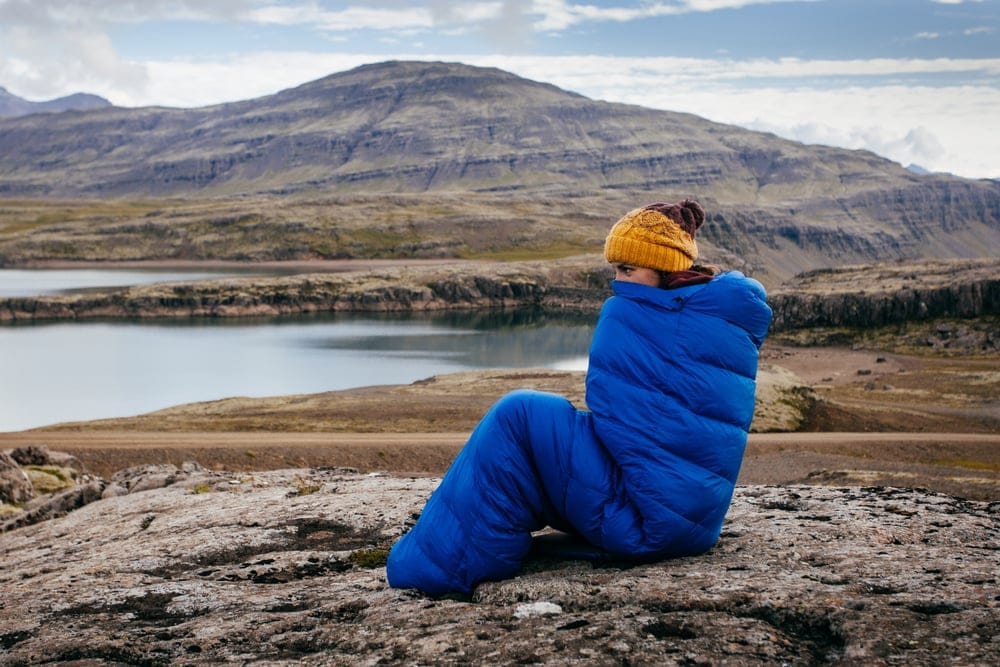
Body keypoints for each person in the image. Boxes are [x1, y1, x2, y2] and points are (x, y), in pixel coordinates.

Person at [386, 200, 772, 596]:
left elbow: (613, 413)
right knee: (539, 421)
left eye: (627, 269)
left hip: (649, 519)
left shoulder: (641, 314)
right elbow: (643, 427)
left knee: (518, 417)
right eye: (615, 270)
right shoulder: (715, 317)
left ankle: (438, 572)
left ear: (664, 268)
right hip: (687, 518)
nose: (617, 282)